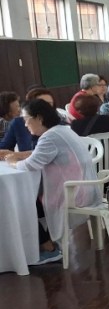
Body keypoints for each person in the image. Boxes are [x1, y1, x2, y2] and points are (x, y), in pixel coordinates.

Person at [6, 98, 100, 265]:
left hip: (74, 194)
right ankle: (42, 242)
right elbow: (40, 155)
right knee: (28, 201)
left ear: (39, 118)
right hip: (86, 188)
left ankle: (47, 248)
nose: (25, 125)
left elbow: (31, 164)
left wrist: (12, 161)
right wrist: (20, 156)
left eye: (26, 119)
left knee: (21, 203)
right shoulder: (62, 130)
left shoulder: (50, 137)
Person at [0, 88, 56, 156]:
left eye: (49, 104)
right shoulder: (18, 123)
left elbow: (47, 152)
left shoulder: (60, 125)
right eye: (41, 104)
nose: (46, 108)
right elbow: (4, 146)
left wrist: (17, 155)